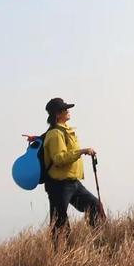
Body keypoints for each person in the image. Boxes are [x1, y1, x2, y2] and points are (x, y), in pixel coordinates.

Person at [41, 97, 102, 244]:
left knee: (94, 205)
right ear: (57, 114)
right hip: (58, 185)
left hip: (72, 183)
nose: (68, 111)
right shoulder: (55, 134)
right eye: (65, 109)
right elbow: (59, 158)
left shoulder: (65, 131)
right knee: (59, 223)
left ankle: (99, 242)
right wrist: (81, 151)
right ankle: (61, 256)